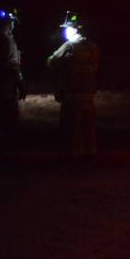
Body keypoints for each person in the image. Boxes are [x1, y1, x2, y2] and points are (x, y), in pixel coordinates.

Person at [47, 11, 100, 159]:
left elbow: (51, 61)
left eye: (68, 28)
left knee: (73, 128)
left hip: (73, 94)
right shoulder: (93, 47)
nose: (65, 31)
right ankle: (91, 154)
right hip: (89, 93)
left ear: (76, 29)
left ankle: (74, 158)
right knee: (89, 128)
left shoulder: (69, 46)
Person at [0, 8, 27, 158]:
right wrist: (20, 83)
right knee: (8, 122)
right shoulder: (7, 41)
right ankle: (7, 155)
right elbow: (12, 65)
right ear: (10, 23)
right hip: (6, 90)